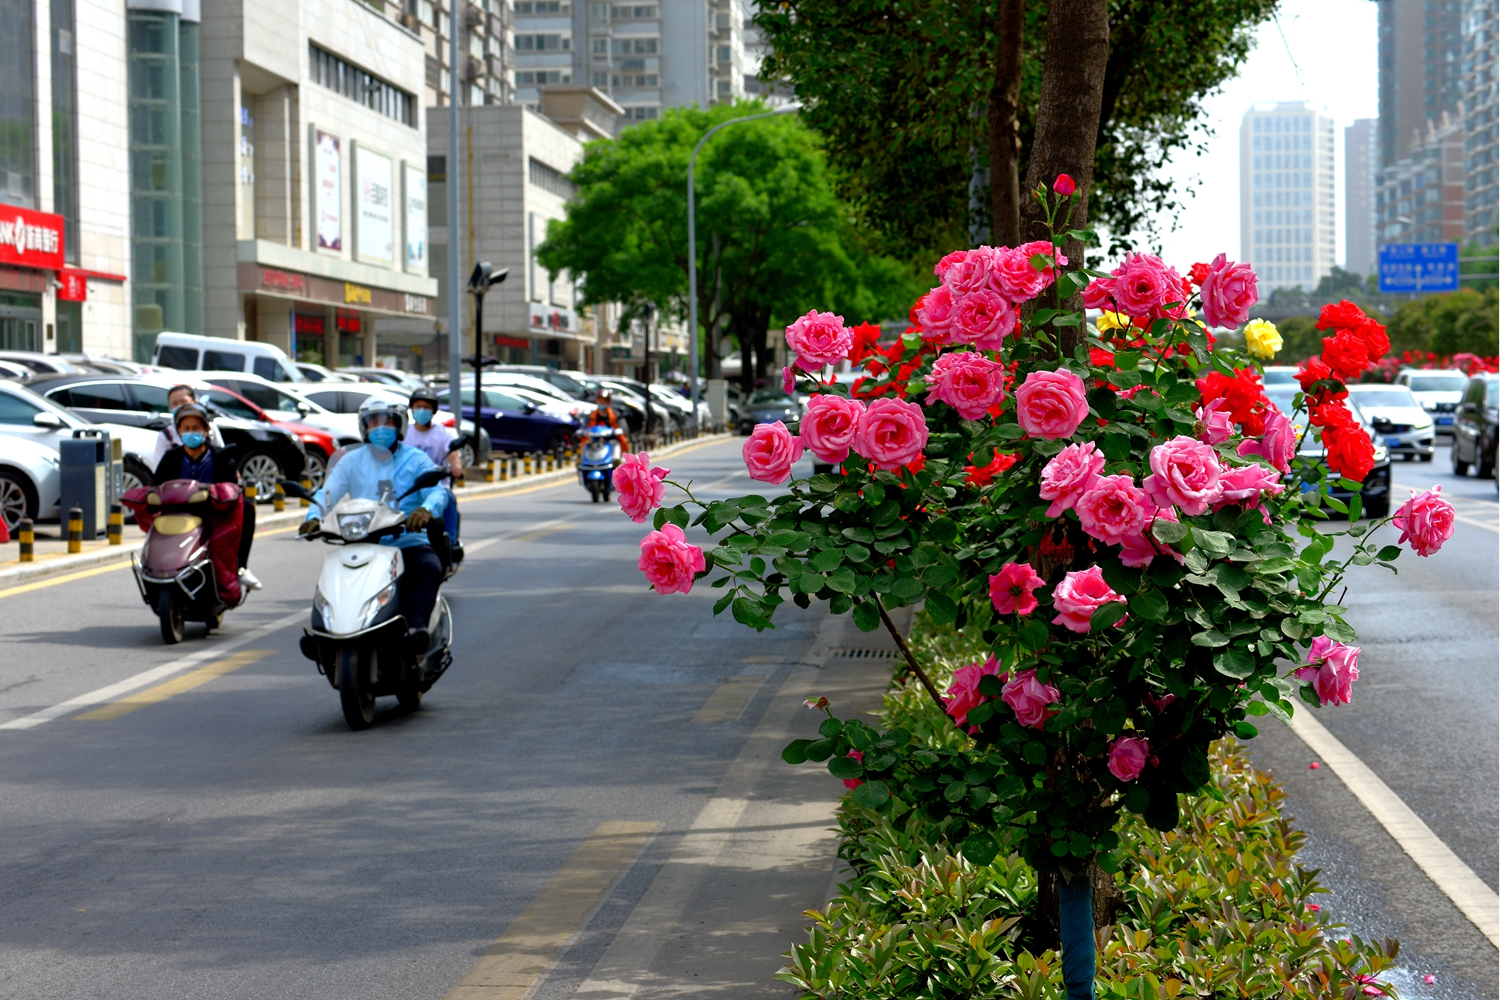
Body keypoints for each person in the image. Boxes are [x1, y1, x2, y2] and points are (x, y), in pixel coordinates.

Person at [299, 397, 450, 652]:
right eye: (374, 422)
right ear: (364, 427)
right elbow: (328, 493)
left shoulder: (417, 459)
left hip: (407, 541)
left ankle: (416, 630)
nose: (381, 427)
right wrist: (313, 517)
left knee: (429, 567)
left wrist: (426, 510)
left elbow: (437, 492)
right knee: (331, 572)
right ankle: (323, 633)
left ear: (400, 426)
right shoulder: (350, 460)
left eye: (388, 421)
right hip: (361, 542)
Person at [153, 403, 260, 591]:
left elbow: (231, 488)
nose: (191, 433)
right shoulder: (170, 458)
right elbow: (156, 486)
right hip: (178, 514)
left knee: (248, 508)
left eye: (196, 428)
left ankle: (241, 567)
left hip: (213, 512)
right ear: (179, 431)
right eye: (186, 429)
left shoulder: (220, 457)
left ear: (206, 430)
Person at [151, 384, 224, 467]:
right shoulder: (166, 436)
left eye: (183, 402)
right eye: (174, 403)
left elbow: (222, 457)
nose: (179, 407)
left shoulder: (211, 429)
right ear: (179, 430)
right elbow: (160, 470)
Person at [404, 387, 464, 479]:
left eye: (426, 407)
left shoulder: (445, 433)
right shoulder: (403, 433)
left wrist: (456, 465)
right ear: (412, 409)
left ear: (434, 410)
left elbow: (453, 455)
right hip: (409, 486)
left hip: (439, 486)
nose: (422, 411)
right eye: (418, 407)